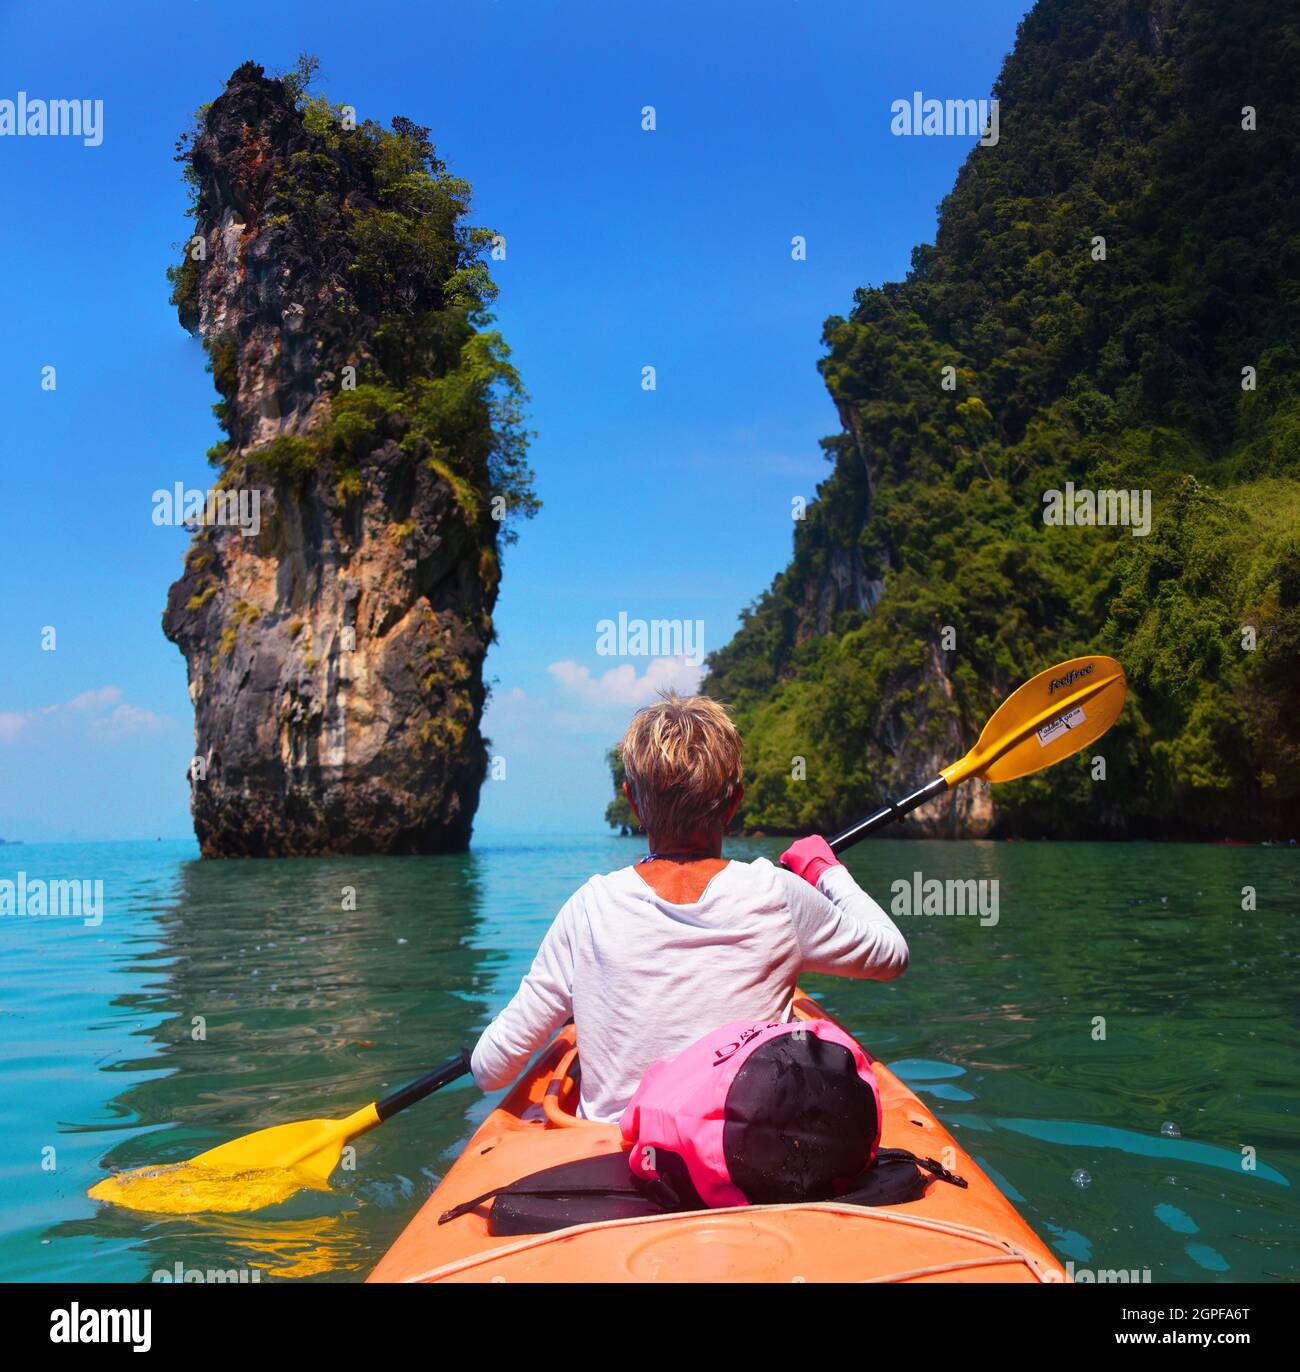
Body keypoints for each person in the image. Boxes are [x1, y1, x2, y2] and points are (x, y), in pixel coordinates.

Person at [470, 692, 909, 1121]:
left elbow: (491, 1070)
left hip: (614, 1158)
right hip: (738, 1155)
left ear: (632, 801)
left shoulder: (590, 907)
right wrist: (825, 869)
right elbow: (892, 954)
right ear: (735, 801)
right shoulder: (777, 894)